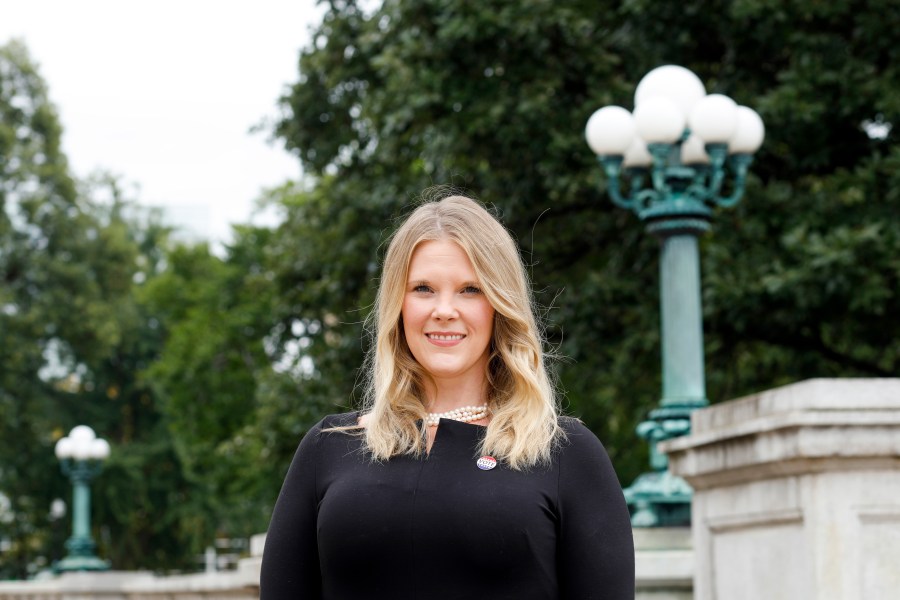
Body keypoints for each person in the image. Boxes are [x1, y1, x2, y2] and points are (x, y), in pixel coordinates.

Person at [260, 194, 635, 599]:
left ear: (499, 304)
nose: (444, 310)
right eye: (423, 288)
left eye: (470, 290)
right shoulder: (328, 447)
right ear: (397, 305)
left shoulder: (566, 454)